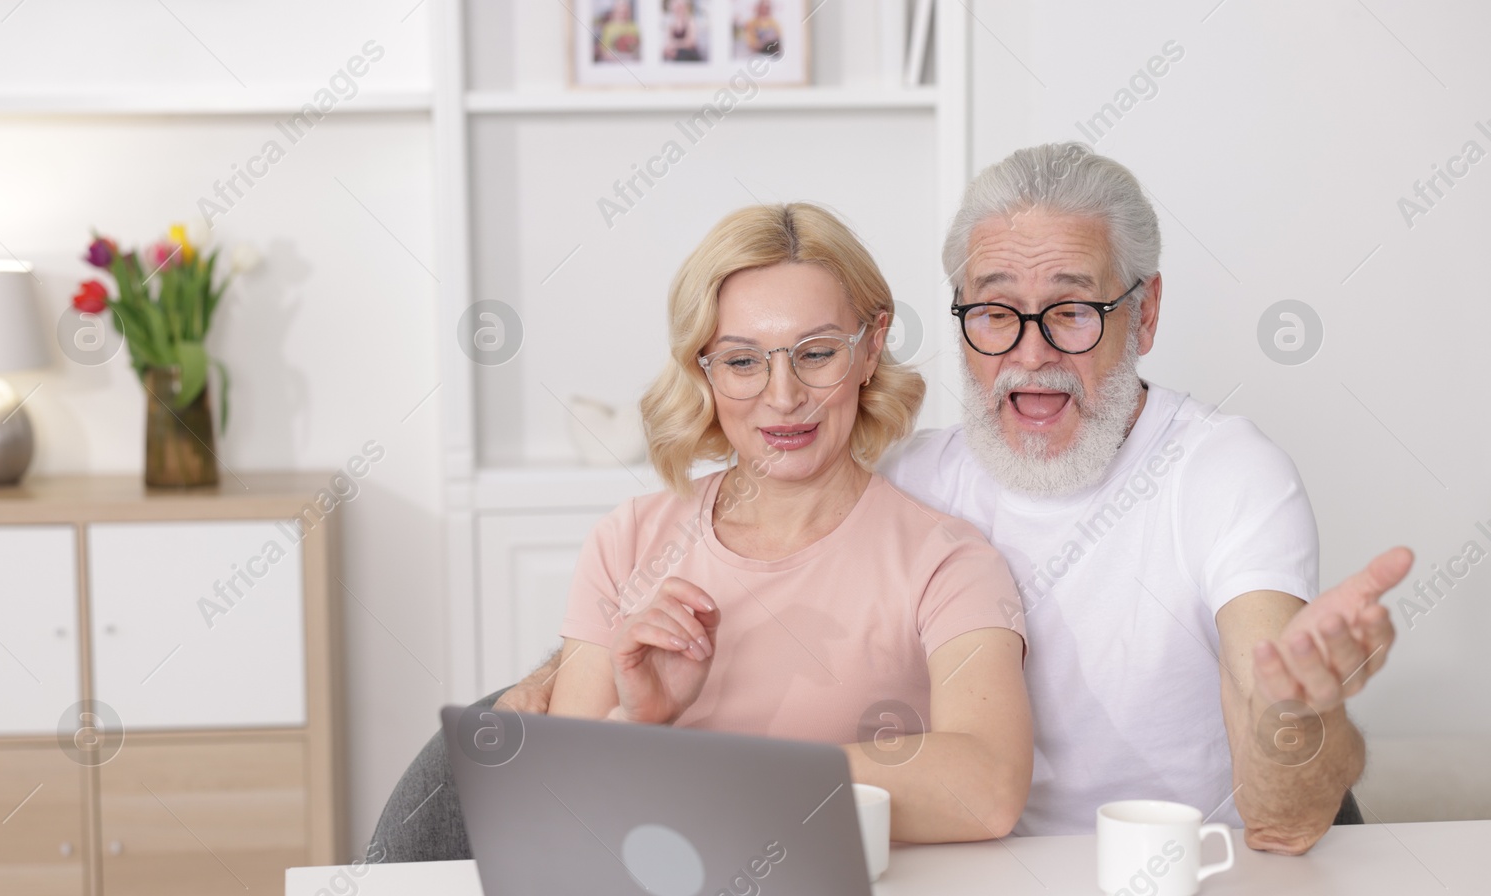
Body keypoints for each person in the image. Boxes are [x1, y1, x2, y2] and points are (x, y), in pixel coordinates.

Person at [496, 144, 1413, 858]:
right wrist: (572, 685)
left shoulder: (1222, 477)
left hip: (1189, 879)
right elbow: (759, 566)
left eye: (1073, 308)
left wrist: (1300, 706)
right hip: (981, 883)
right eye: (993, 310)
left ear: (1148, 312)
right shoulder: (908, 474)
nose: (1030, 349)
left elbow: (1283, 814)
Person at [373, 203, 1034, 858]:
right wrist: (641, 722)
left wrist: (710, 771)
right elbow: (563, 813)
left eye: (817, 353)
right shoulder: (629, 539)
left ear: (871, 346)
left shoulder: (947, 560)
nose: (783, 396)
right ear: (702, 369)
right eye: (743, 361)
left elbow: (988, 787)